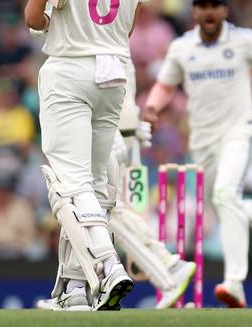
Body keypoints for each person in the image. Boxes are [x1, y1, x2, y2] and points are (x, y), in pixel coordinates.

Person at [24, 0, 149, 311]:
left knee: (68, 183)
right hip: (114, 72)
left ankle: (106, 267)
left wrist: (56, 19)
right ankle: (75, 290)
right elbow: (130, 23)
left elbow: (33, 17)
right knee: (94, 186)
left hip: (69, 67)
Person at [143, 0, 252, 308]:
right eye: (203, 6)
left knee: (225, 195)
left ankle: (234, 283)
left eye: (215, 5)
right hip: (202, 139)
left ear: (225, 10)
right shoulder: (182, 47)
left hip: (239, 132)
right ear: (195, 12)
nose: (209, 11)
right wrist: (153, 108)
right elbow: (165, 85)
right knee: (225, 204)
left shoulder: (243, 40)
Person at [35, 59, 196, 310]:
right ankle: (76, 289)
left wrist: (126, 129)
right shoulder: (111, 32)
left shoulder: (92, 34)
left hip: (111, 124)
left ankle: (164, 267)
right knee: (91, 202)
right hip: (115, 121)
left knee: (88, 201)